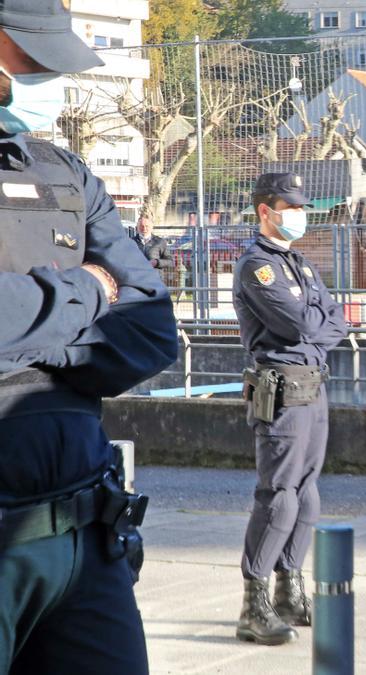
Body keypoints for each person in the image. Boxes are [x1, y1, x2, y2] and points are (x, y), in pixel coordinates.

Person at [0, 2, 178, 671]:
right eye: (27, 58)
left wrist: (32, 336)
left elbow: (154, 330)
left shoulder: (62, 172)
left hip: (86, 539)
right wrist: (84, 293)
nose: (43, 78)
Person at [232, 172, 347, 645]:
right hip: (281, 391)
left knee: (307, 493)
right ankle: (253, 604)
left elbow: (336, 322)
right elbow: (298, 320)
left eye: (301, 206)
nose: (298, 214)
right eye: (290, 206)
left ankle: (289, 590)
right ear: (266, 210)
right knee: (278, 495)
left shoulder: (298, 263)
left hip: (312, 385)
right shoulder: (257, 265)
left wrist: (313, 322)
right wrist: (313, 321)